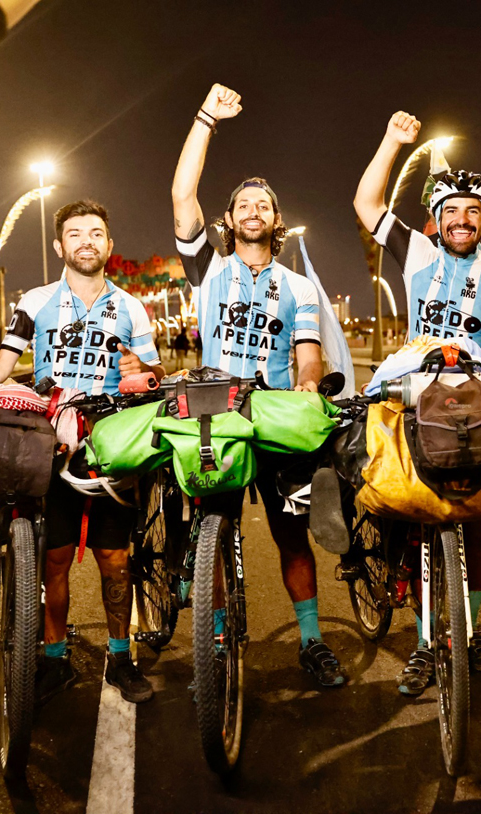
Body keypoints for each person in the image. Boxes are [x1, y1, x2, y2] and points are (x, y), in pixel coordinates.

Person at [0, 200, 165, 704]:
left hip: (111, 439)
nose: (87, 242)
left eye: (97, 233)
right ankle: (54, 659)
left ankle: (120, 658)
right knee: (53, 559)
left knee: (115, 560)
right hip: (49, 440)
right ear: (60, 246)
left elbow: (150, 377)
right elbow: (0, 367)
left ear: (110, 246)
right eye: (76, 234)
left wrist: (139, 373)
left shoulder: (133, 307)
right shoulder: (36, 301)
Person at [354, 110, 481, 697]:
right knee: (375, 469)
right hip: (416, 385)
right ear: (437, 219)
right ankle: (420, 635)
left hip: (472, 395)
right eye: (452, 211)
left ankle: (465, 631)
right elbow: (368, 204)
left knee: (476, 527)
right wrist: (392, 141)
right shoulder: (418, 254)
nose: (462, 219)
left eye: (473, 212)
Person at [171, 83, 344, 688]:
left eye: (262, 206)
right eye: (242, 205)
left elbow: (307, 354)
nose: (252, 212)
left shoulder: (297, 287)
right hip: (215, 410)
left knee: (292, 537)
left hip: (271, 412)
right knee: (209, 536)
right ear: (228, 220)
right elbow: (181, 194)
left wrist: (306, 387)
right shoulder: (208, 269)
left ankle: (313, 640)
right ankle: (213, 640)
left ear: (277, 221)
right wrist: (206, 120)